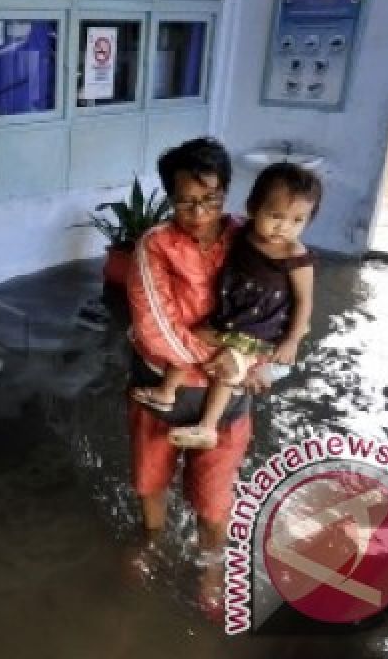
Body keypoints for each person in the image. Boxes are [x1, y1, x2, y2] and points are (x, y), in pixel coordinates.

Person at [123, 137, 269, 608]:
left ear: (226, 191)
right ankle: (152, 541)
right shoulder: (154, 246)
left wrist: (253, 360)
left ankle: (211, 567)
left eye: (210, 198)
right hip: (162, 387)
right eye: (186, 201)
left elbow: (273, 308)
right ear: (169, 198)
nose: (199, 211)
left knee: (213, 500)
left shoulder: (251, 239)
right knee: (150, 483)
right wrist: (220, 363)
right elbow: (154, 325)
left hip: (227, 399)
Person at [130, 162, 322, 450]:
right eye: (275, 216)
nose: (284, 227)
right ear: (252, 207)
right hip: (230, 319)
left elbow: (304, 303)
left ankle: (207, 426)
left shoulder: (295, 257)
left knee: (228, 373)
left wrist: (288, 343)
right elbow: (155, 325)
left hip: (254, 329)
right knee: (197, 339)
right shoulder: (239, 233)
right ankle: (168, 392)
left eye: (298, 221)